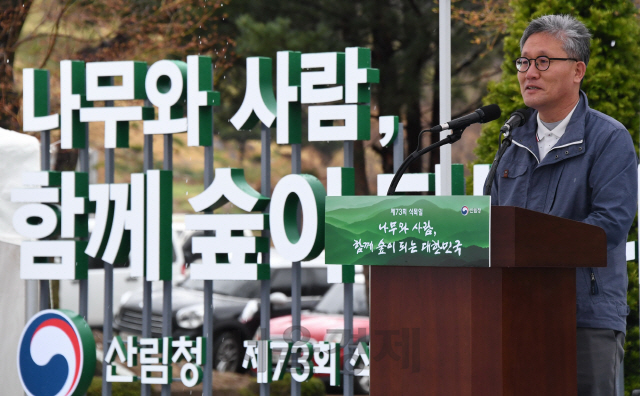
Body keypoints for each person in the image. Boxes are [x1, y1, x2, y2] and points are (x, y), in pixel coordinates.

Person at [489, 14, 638, 395]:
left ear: (577, 70)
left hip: (584, 318)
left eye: (543, 61)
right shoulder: (512, 142)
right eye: (524, 62)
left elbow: (608, 226)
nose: (529, 73)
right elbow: (489, 224)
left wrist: (533, 246)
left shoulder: (608, 138)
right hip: (516, 314)